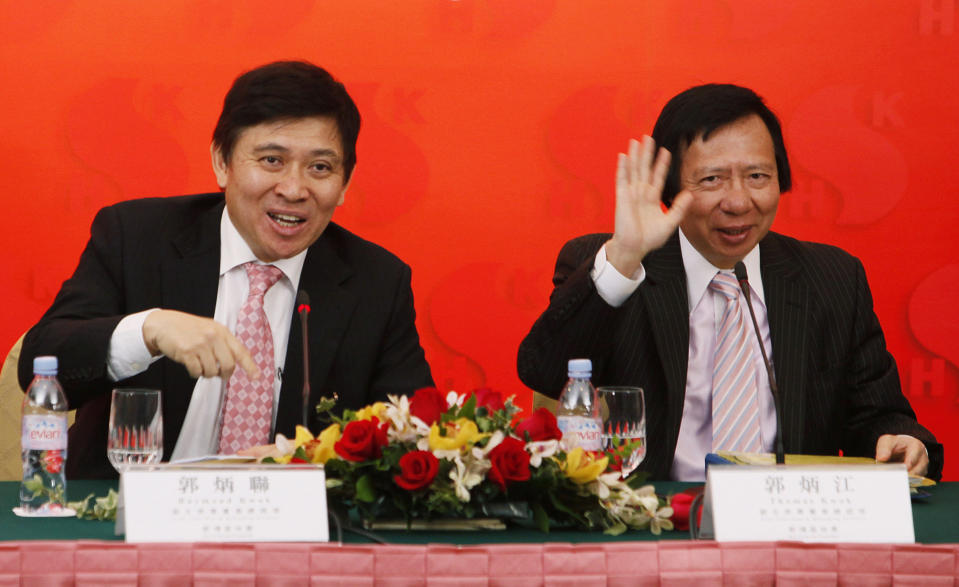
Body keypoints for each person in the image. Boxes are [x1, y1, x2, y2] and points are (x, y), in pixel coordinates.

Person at [18, 61, 433, 479]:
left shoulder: (376, 282)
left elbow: (415, 434)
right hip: (125, 518)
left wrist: (312, 459)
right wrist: (148, 330)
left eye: (320, 168)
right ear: (222, 162)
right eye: (272, 160)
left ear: (344, 183)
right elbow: (39, 364)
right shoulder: (137, 238)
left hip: (291, 529)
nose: (294, 189)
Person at [517, 83, 943, 481]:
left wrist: (902, 440)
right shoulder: (615, 263)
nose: (739, 202)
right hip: (651, 527)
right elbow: (545, 372)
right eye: (711, 179)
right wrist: (625, 259)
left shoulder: (830, 278)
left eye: (758, 176)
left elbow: (877, 416)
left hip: (789, 525)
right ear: (669, 186)